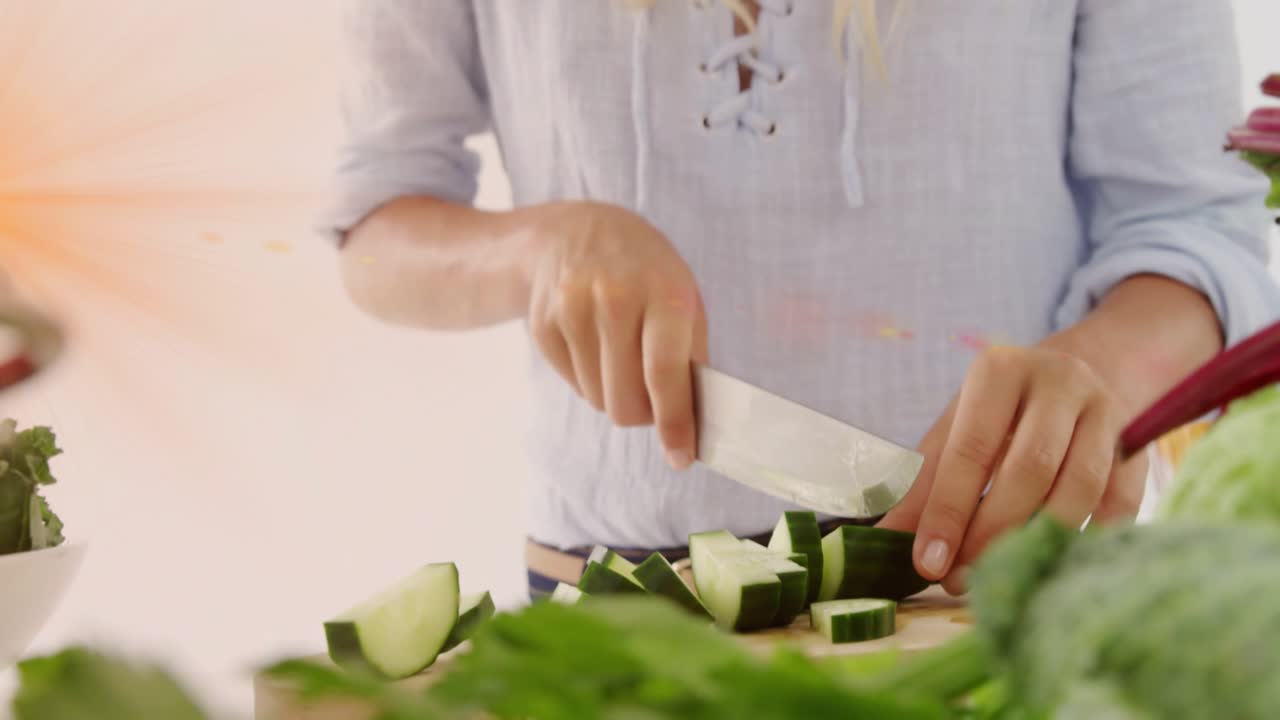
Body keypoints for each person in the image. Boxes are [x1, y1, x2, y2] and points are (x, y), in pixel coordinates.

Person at [325, 0, 1280, 598]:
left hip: (980, 600)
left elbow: (1198, 227)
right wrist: (534, 249)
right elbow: (376, 218)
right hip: (603, 597)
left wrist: (1099, 368)